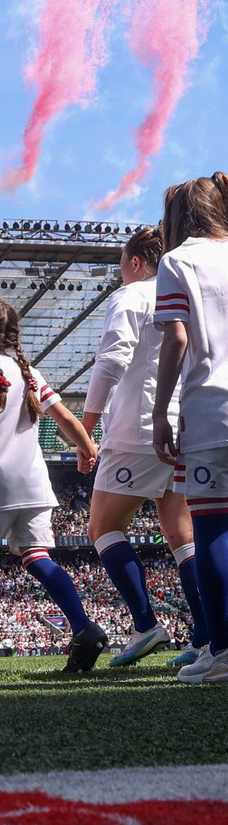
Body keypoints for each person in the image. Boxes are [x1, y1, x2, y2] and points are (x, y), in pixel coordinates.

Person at [0, 298, 102, 674]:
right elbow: (63, 415)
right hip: (33, 483)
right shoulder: (29, 372)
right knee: (38, 558)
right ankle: (84, 627)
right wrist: (87, 448)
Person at [80, 225, 205, 668]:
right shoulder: (185, 292)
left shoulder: (131, 296)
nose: (119, 271)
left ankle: (145, 623)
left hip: (136, 428)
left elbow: (112, 359)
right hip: (183, 425)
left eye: (120, 262)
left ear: (135, 262)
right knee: (181, 533)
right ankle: (208, 637)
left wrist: (86, 426)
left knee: (103, 528)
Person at [152, 173, 228, 683]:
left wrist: (159, 410)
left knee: (213, 528)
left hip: (213, 412)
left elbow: (176, 338)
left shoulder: (179, 261)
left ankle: (222, 651)